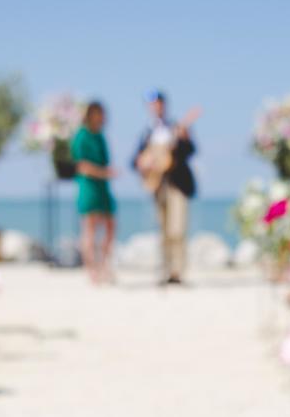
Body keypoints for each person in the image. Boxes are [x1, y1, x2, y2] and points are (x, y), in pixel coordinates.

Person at [132, 90, 200, 285]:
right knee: (163, 230)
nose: (157, 107)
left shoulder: (176, 127)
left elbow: (191, 151)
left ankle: (178, 271)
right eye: (153, 104)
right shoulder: (148, 132)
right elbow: (135, 160)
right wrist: (143, 164)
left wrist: (184, 140)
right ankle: (165, 270)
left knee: (177, 229)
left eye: (159, 103)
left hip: (177, 184)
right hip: (157, 186)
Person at [71, 101, 118, 284]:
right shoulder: (82, 136)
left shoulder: (100, 136)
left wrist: (105, 174)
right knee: (89, 228)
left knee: (110, 226)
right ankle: (92, 270)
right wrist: (103, 173)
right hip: (89, 186)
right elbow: (80, 165)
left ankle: (104, 265)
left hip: (103, 187)